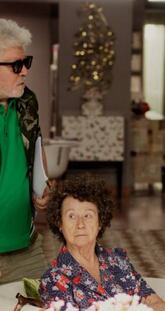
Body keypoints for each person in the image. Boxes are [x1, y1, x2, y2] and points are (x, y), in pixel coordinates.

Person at [40, 175, 165, 311]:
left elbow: (160, 305)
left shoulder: (118, 261)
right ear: (60, 223)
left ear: (100, 222)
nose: (80, 224)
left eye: (88, 215)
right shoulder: (53, 280)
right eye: (71, 216)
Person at [0, 18, 50, 284]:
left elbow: (35, 143)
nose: (24, 72)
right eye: (15, 65)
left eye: (26, 62)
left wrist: (41, 186)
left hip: (25, 249)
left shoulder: (27, 101)